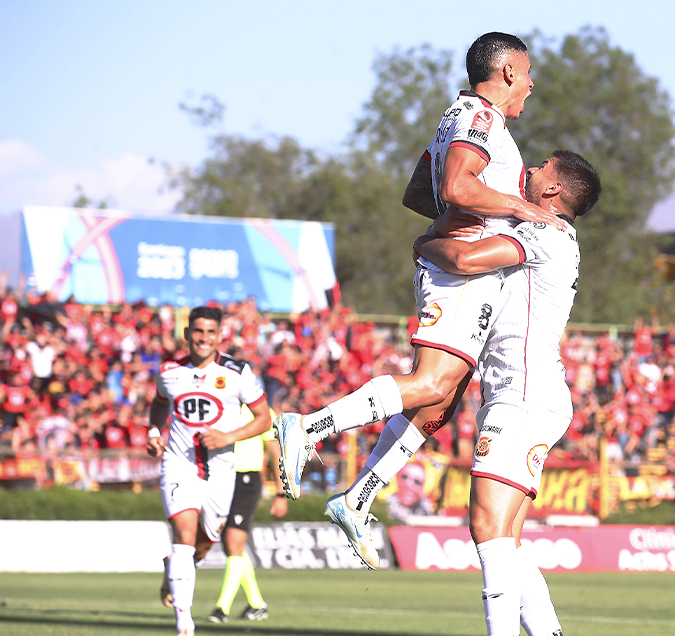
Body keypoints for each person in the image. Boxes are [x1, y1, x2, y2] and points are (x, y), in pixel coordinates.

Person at [276, 33, 559, 569]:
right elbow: (455, 186)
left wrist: (458, 218)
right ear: (505, 72)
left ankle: (358, 497)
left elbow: (419, 193)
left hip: (457, 264)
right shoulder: (481, 118)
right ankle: (308, 428)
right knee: (432, 383)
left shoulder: (461, 117)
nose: (530, 85)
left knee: (440, 400)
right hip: (461, 273)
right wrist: (516, 208)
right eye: (526, 74)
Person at [414, 149, 601, 636]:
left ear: (555, 189)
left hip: (523, 394)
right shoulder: (548, 230)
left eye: (542, 167)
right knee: (506, 538)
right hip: (527, 392)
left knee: (487, 526)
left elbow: (466, 258)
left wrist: (422, 244)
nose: (532, 170)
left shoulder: (542, 229)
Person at [149, 306, 271, 636]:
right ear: (187, 333)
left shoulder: (237, 372)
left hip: (221, 471)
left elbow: (264, 419)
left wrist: (227, 437)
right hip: (179, 465)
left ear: (220, 336)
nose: (204, 338)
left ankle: (171, 569)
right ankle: (184, 625)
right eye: (198, 331)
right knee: (184, 539)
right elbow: (160, 402)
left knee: (203, 545)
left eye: (211, 333)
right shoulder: (169, 371)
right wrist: (154, 432)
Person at [207, 407, 287, 624]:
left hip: (246, 480)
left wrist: (281, 493)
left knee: (233, 542)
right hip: (221, 478)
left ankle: (222, 608)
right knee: (231, 546)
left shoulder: (260, 410)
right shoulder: (219, 404)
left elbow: (275, 451)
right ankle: (257, 604)